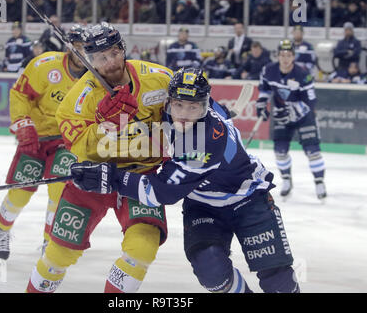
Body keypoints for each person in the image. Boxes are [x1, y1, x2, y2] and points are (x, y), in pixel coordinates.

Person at [69, 67, 300, 293]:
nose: (183, 115)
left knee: (278, 280)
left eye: (193, 108)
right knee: (211, 270)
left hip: (248, 200)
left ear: (204, 107)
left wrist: (110, 178)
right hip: (203, 206)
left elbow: (160, 193)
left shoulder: (207, 141)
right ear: (169, 102)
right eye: (179, 105)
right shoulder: (176, 111)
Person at [25, 22, 173, 293]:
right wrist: (106, 125)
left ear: (123, 49)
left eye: (115, 53)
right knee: (59, 255)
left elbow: (192, 110)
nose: (111, 62)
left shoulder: (159, 78)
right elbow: (80, 148)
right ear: (90, 60)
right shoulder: (77, 100)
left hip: (140, 178)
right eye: (101, 58)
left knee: (143, 247)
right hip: (94, 177)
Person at [0, 25, 88, 261]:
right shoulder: (45, 65)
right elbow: (19, 94)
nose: (82, 55)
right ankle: (2, 230)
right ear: (69, 47)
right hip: (35, 138)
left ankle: (49, 241)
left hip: (67, 142)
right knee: (21, 191)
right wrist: (24, 125)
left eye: (88, 50)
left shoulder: (96, 78)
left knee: (59, 189)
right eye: (78, 49)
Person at [256, 40, 326, 200]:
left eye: (288, 55)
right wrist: (261, 104)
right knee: (280, 151)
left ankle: (319, 181)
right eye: (282, 55)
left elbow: (311, 100)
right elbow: (264, 89)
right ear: (278, 56)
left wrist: (295, 111)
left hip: (304, 116)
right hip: (281, 115)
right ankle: (286, 180)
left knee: (312, 151)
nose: (285, 58)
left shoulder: (303, 73)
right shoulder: (268, 70)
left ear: (293, 56)